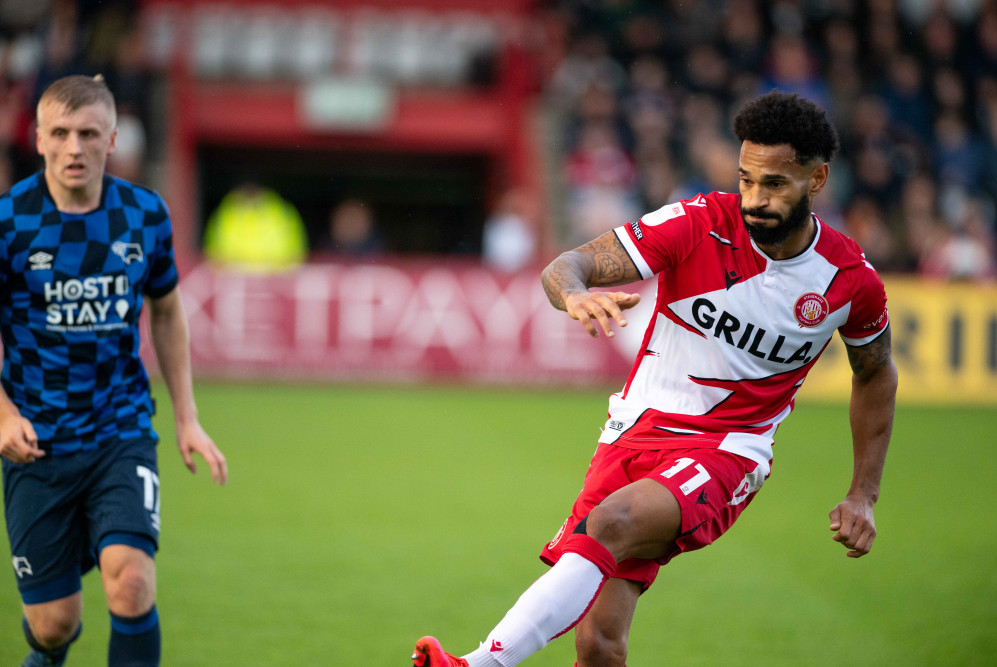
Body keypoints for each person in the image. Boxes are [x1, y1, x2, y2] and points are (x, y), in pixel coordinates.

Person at [411, 91, 898, 667]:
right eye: (746, 180)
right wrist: (574, 295)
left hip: (727, 449)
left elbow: (875, 375)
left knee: (614, 521)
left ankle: (474, 665)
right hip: (632, 431)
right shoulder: (697, 223)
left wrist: (863, 494)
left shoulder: (849, 280)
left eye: (775, 185)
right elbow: (568, 265)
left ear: (816, 181)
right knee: (598, 642)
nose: (754, 200)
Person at [0, 75, 227, 667]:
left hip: (119, 431)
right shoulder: (8, 223)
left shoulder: (145, 215)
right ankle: (47, 654)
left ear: (113, 139)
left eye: (89, 134)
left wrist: (187, 418)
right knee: (53, 625)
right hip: (36, 442)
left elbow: (168, 310)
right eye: (61, 134)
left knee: (130, 582)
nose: (75, 147)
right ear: (39, 138)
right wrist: (3, 413)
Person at [202, 181, 308, 272]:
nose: (250, 191)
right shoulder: (224, 213)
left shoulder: (283, 211)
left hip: (275, 282)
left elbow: (297, 255)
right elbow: (212, 256)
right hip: (233, 283)